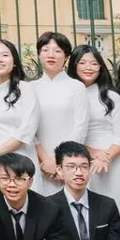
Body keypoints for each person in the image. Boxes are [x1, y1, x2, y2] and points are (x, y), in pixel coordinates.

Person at [30, 32, 91, 196]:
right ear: (39, 54)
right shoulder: (30, 88)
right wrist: (45, 159)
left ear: (66, 56)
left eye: (57, 51)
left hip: (70, 161)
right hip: (39, 161)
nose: (51, 55)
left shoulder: (76, 87)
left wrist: (63, 162)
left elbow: (80, 127)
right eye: (45, 50)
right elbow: (28, 128)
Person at [74, 45, 120, 206]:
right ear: (74, 65)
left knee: (118, 202)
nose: (88, 67)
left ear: (101, 67)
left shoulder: (112, 97)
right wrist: (93, 153)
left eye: (94, 63)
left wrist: (105, 157)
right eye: (82, 63)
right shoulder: (68, 96)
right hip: (81, 157)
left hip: (112, 159)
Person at [0, 37, 39, 176]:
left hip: (20, 157)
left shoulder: (26, 89)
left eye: (5, 55)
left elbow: (27, 130)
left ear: (14, 61)